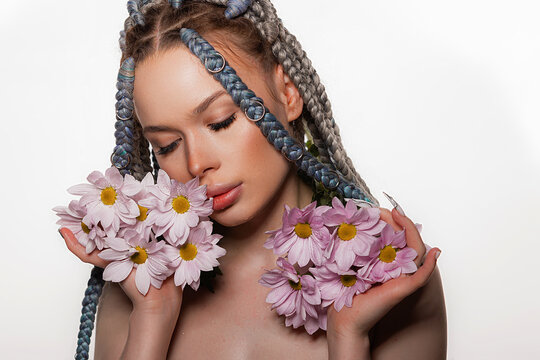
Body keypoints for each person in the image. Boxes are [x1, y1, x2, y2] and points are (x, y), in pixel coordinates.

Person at [59, 0, 447, 358]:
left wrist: (347, 337)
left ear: (288, 93)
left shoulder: (386, 271)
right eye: (166, 145)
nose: (197, 163)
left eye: (221, 121)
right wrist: (153, 316)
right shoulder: (138, 278)